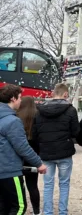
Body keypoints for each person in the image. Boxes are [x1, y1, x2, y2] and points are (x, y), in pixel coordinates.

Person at [33, 82, 79, 215]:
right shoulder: (71, 110)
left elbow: (35, 133)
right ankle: (62, 212)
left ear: (53, 94)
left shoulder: (39, 110)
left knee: (48, 185)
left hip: (46, 153)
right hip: (64, 152)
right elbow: (75, 131)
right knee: (64, 184)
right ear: (65, 94)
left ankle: (48, 212)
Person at [0, 85, 47, 215]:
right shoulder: (12, 121)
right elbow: (22, 147)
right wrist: (39, 163)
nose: (21, 101)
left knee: (3, 207)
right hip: (10, 172)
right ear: (13, 99)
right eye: (19, 97)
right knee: (19, 207)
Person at [17, 96, 42, 215]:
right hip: (33, 156)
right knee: (33, 186)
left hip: (18, 157)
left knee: (18, 185)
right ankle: (36, 211)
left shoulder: (16, 117)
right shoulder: (38, 117)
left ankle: (20, 207)